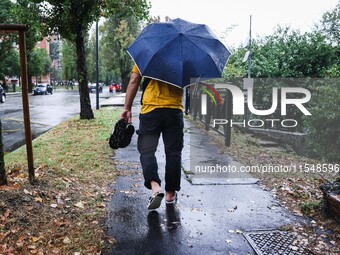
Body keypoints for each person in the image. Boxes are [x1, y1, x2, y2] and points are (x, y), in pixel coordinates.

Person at [120, 64, 184, 210]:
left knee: (147, 151)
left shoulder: (149, 52)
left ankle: (155, 187)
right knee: (173, 152)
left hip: (151, 111)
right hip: (174, 110)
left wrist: (127, 108)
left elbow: (134, 80)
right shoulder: (184, 55)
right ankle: (170, 194)